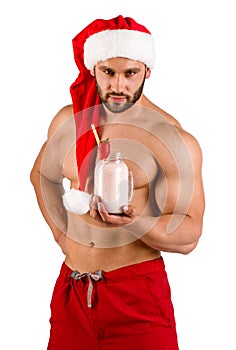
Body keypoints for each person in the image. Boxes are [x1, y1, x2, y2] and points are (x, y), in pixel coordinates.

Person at [30, 15, 205, 350]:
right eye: (108, 72)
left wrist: (136, 222)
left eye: (130, 73)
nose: (118, 85)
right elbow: (42, 175)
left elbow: (190, 233)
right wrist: (61, 234)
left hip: (136, 296)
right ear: (94, 68)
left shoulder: (169, 139)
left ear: (147, 72)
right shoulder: (70, 121)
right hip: (72, 292)